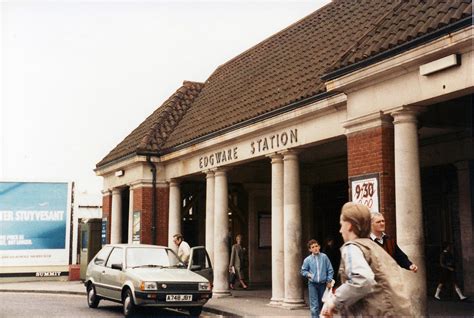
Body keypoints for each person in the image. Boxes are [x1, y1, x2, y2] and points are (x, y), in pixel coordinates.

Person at [320, 202, 411, 317]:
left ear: (349, 225)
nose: (340, 230)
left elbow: (362, 279)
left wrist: (332, 302)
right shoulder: (374, 247)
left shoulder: (352, 248)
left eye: (341, 224)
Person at [300, 239, 334, 318]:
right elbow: (303, 271)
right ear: (310, 249)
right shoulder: (307, 260)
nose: (315, 248)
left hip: (323, 284)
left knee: (323, 304)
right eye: (313, 247)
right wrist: (309, 275)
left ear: (319, 247)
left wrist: (329, 280)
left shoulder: (324, 257)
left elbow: (330, 269)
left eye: (316, 246)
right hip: (312, 285)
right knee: (314, 306)